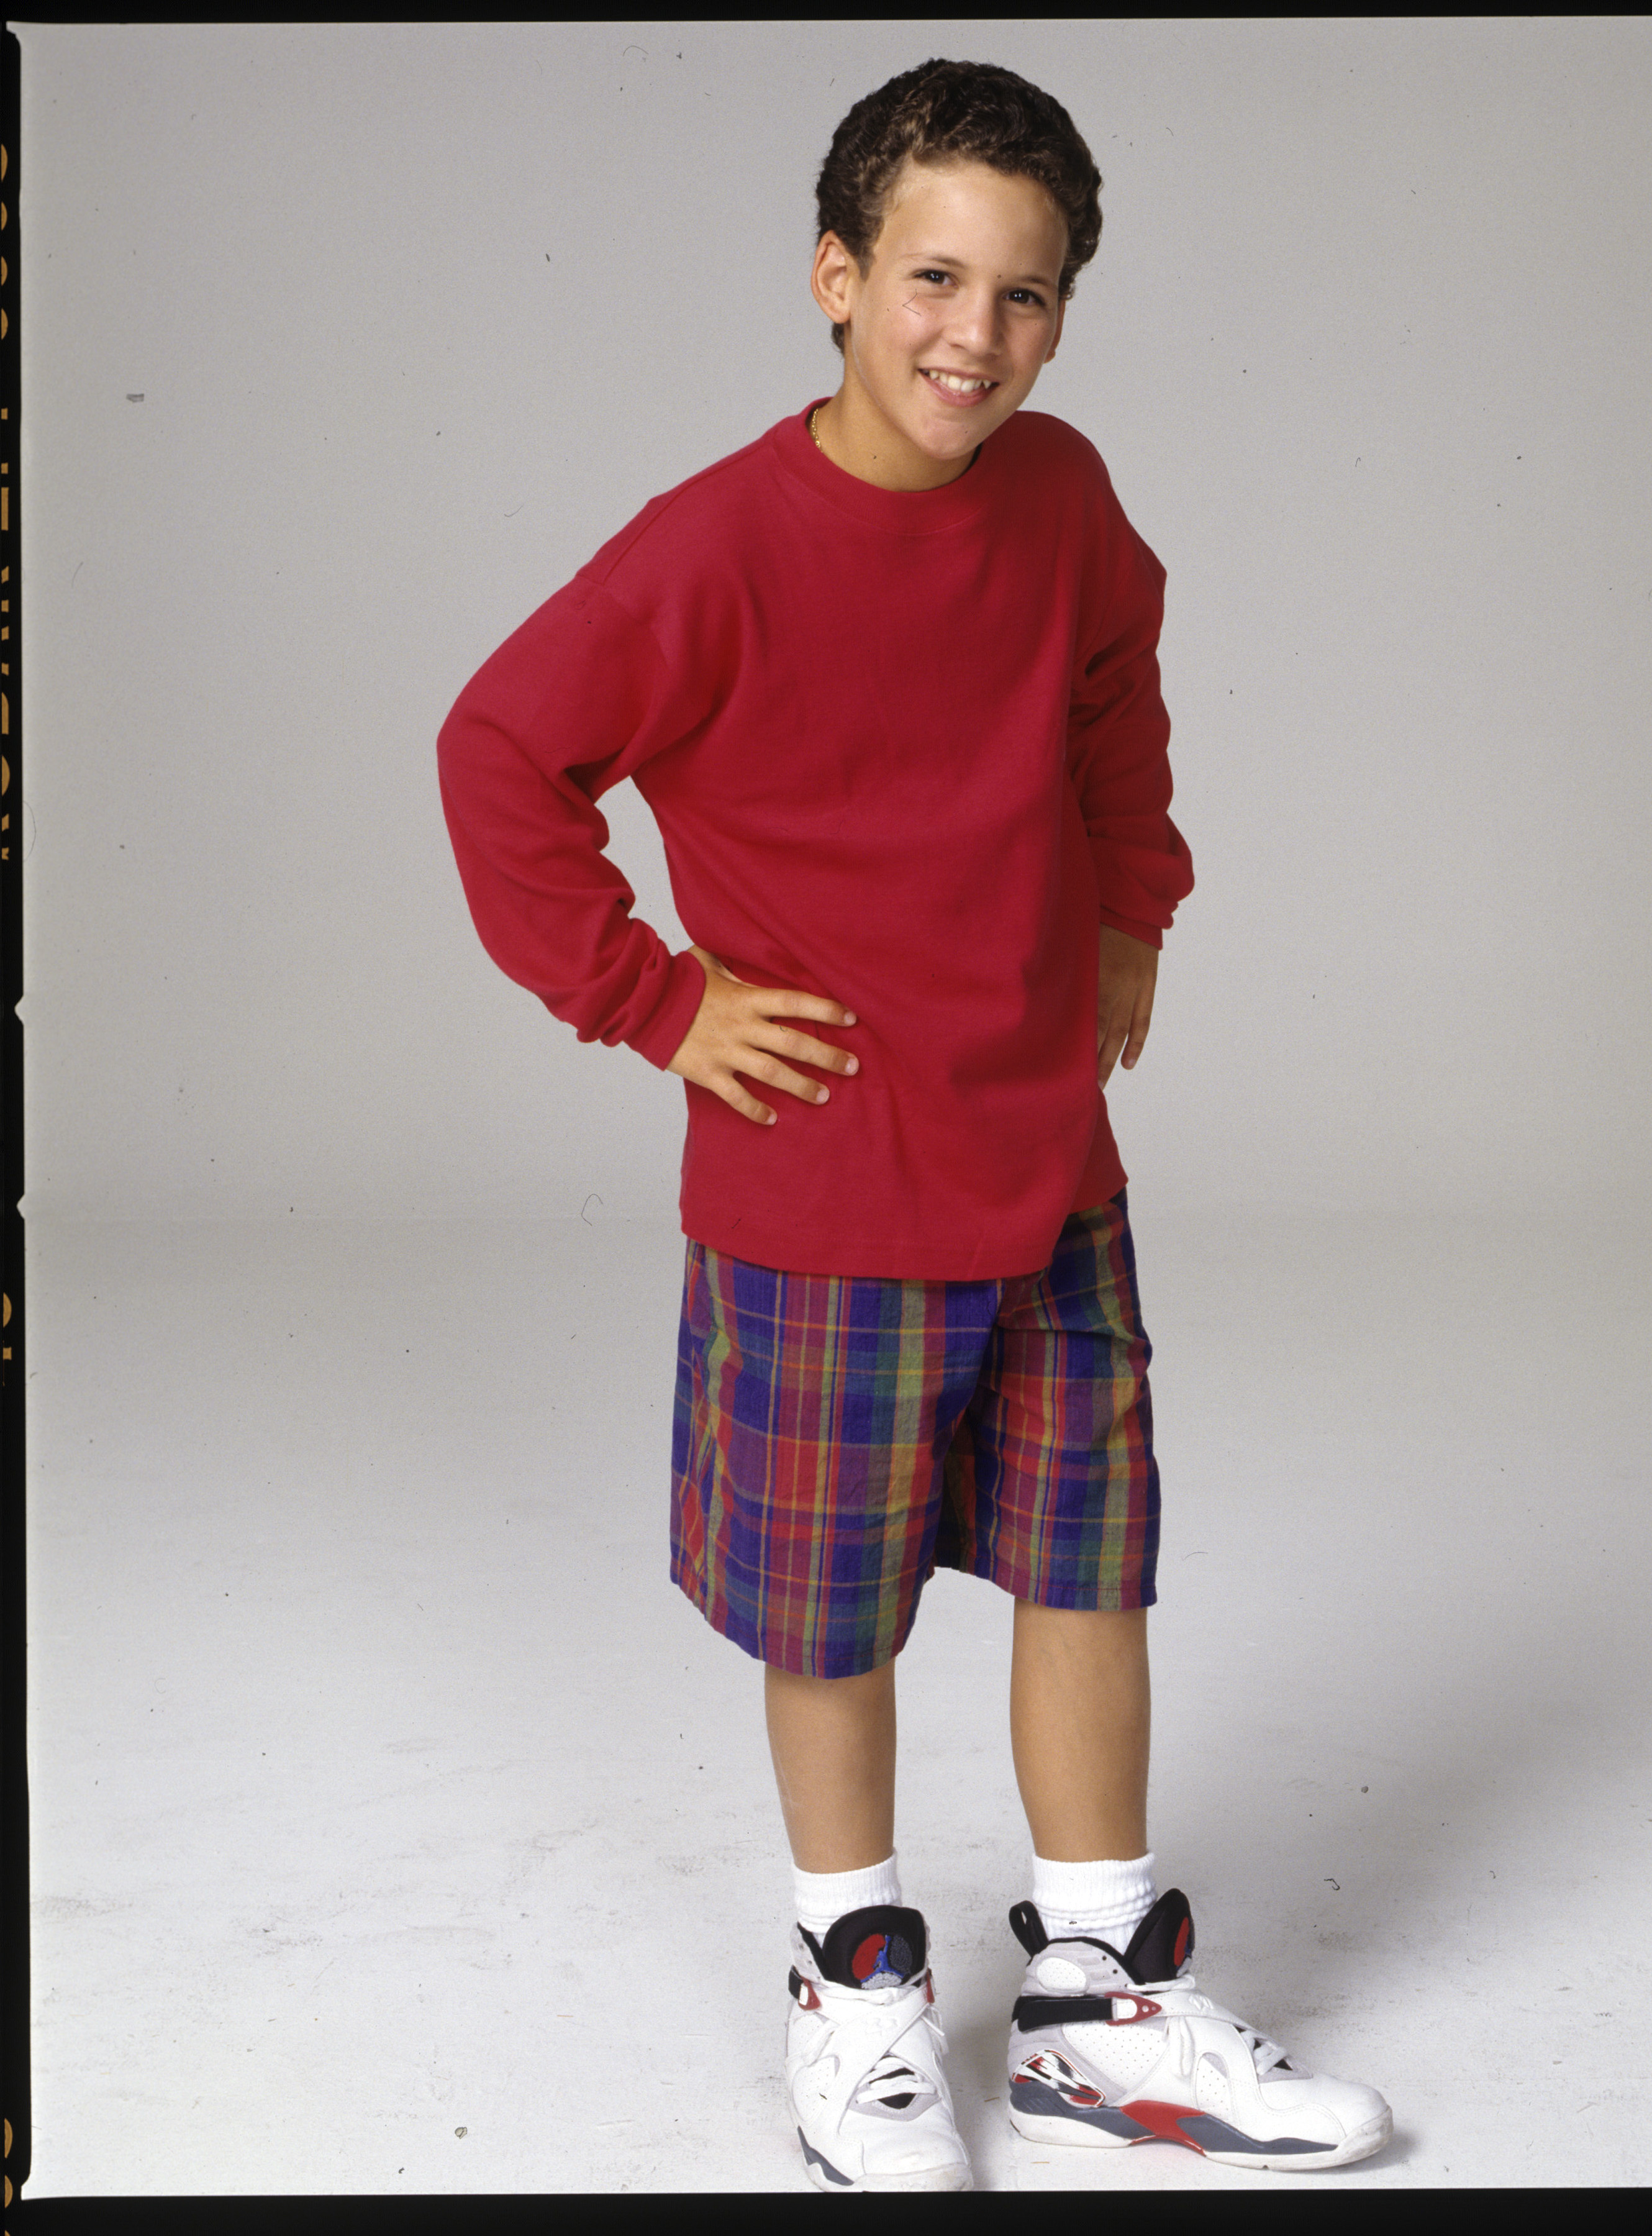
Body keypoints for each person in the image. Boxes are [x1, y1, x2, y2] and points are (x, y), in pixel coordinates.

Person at [437, 56, 1391, 2194]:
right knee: (832, 1612)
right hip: (825, 1191)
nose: (979, 334)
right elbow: (499, 751)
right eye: (936, 278)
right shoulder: (717, 549)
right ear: (836, 278)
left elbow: (1112, 678)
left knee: (1089, 1567)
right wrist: (655, 1000)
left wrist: (1133, 898)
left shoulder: (1060, 498)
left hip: (1045, 1160)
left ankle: (1094, 1997)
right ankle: (857, 1981)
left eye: (1030, 294)